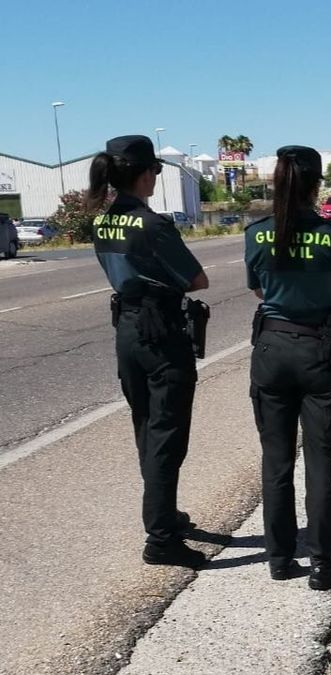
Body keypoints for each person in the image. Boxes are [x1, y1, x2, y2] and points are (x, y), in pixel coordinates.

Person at [245, 145, 331, 590]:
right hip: (321, 351)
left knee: (275, 459)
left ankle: (279, 558)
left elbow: (258, 289)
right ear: (316, 184)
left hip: (272, 349)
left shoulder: (256, 233)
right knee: (321, 460)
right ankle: (322, 564)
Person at [89, 135, 209, 568]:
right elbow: (197, 280)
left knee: (146, 426)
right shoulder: (153, 224)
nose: (157, 177)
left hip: (126, 329)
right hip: (160, 331)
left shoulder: (102, 222)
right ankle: (160, 539)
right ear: (143, 174)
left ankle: (166, 515)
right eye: (156, 171)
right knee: (167, 433)